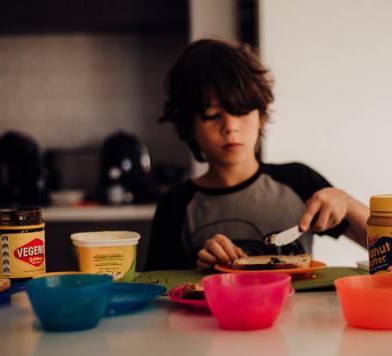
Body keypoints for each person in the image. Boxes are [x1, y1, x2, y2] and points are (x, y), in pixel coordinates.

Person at [145, 39, 368, 270]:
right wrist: (197, 270)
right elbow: (160, 294)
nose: (230, 127)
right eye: (212, 115)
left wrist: (348, 203)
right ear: (189, 125)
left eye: (241, 111)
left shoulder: (298, 181)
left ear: (261, 115)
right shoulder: (175, 206)